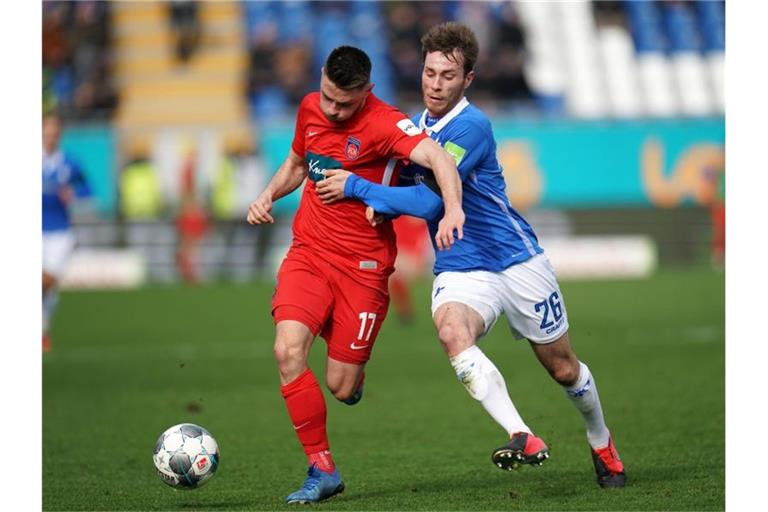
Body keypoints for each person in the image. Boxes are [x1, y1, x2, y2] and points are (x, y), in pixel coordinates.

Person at [316, 23, 626, 489]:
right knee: (451, 332)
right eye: (429, 73)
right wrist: (380, 201)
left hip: (516, 261)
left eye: (448, 76)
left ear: (468, 80)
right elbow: (398, 186)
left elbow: (431, 202)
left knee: (563, 368)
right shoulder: (412, 130)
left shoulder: (472, 126)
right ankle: (522, 434)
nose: (436, 84)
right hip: (461, 265)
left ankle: (600, 439)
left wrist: (359, 188)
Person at [246, 45, 465, 504]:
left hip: (363, 268)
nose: (332, 109)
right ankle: (322, 468)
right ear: (321, 79)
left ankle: (347, 360)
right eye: (328, 97)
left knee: (341, 387)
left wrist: (452, 209)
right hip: (309, 253)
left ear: (368, 91)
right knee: (287, 350)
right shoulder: (310, 108)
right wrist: (268, 194)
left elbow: (441, 159)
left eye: (344, 103)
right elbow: (298, 163)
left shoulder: (385, 123)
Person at [42, 112, 90, 352]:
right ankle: (42, 331)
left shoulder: (69, 162)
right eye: (46, 130)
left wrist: (74, 193)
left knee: (47, 282)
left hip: (60, 232)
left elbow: (88, 187)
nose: (50, 135)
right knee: (45, 289)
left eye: (54, 131)